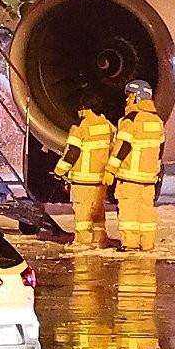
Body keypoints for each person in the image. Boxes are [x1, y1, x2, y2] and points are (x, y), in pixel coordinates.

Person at [105, 79, 166, 252]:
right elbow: (160, 150)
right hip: (148, 177)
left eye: (129, 97)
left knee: (129, 212)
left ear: (137, 98)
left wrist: (111, 170)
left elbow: (122, 148)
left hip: (130, 176)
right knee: (147, 212)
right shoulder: (157, 121)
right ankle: (147, 244)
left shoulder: (130, 121)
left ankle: (130, 243)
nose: (127, 100)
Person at [53, 95, 116, 248]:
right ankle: (99, 241)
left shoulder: (80, 128)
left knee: (83, 215)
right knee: (98, 214)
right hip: (100, 180)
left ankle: (83, 242)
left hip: (83, 180)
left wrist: (59, 171)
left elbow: (72, 152)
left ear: (85, 109)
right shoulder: (108, 126)